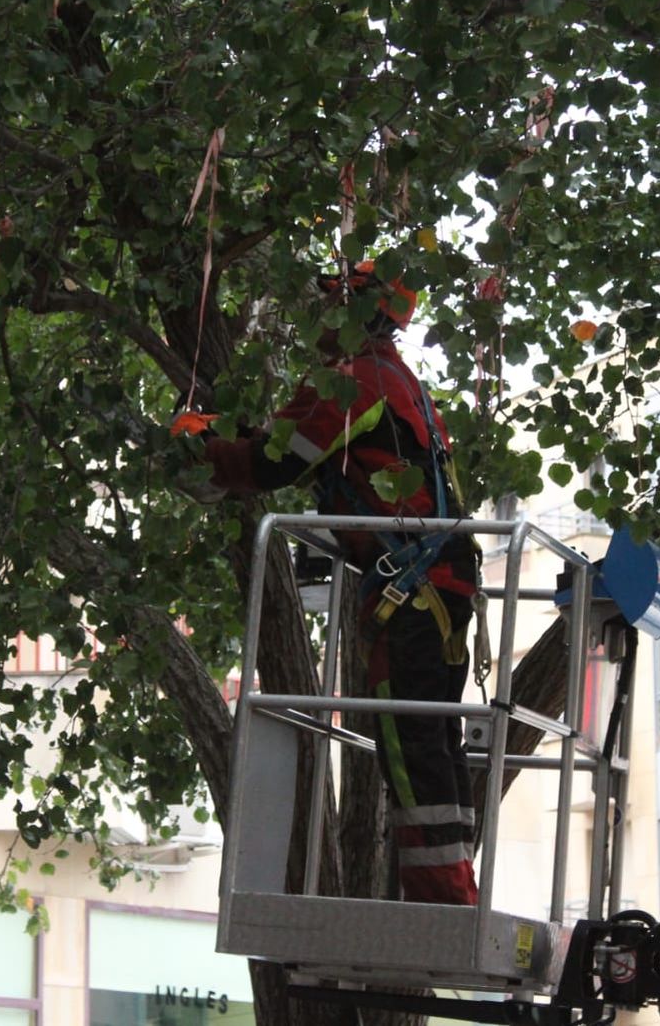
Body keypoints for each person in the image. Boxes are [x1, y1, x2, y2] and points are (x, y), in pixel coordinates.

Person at [172, 262, 481, 905]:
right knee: (434, 739)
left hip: (414, 588)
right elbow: (291, 443)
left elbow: (274, 460)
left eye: (327, 306)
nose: (316, 322)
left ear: (351, 313)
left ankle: (444, 901)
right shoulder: (397, 381)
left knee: (409, 742)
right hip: (439, 580)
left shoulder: (351, 382)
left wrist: (200, 445)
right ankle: (451, 888)